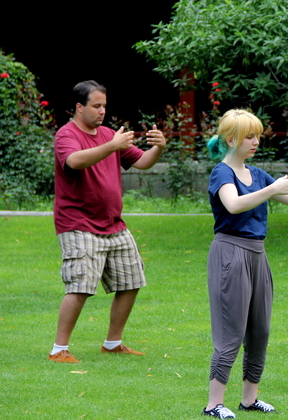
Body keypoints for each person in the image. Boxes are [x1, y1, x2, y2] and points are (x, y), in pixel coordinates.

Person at [202, 109, 288, 418]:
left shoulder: (256, 173)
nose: (256, 142)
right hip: (230, 253)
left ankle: (249, 399)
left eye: (258, 136)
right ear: (231, 140)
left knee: (260, 329)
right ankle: (214, 404)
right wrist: (271, 190)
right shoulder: (222, 173)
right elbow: (233, 204)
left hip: (257, 253)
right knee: (231, 331)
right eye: (250, 137)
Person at [49, 80, 166, 364]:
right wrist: (111, 145)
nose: (102, 111)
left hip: (113, 224)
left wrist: (159, 148)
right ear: (79, 107)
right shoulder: (67, 134)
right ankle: (58, 349)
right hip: (78, 223)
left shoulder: (110, 135)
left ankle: (113, 343)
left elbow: (143, 162)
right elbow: (74, 161)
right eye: (96, 106)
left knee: (131, 281)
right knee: (80, 286)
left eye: (104, 105)